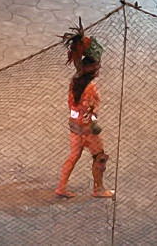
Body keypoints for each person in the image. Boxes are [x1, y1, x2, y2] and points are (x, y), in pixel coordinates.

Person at [54, 21, 113, 199]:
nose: (99, 67)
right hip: (87, 129)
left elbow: (79, 66)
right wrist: (94, 125)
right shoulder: (90, 88)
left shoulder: (76, 80)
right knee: (100, 157)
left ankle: (61, 187)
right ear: (92, 68)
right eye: (97, 65)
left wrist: (80, 45)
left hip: (74, 127)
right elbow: (89, 111)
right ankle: (99, 189)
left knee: (73, 156)